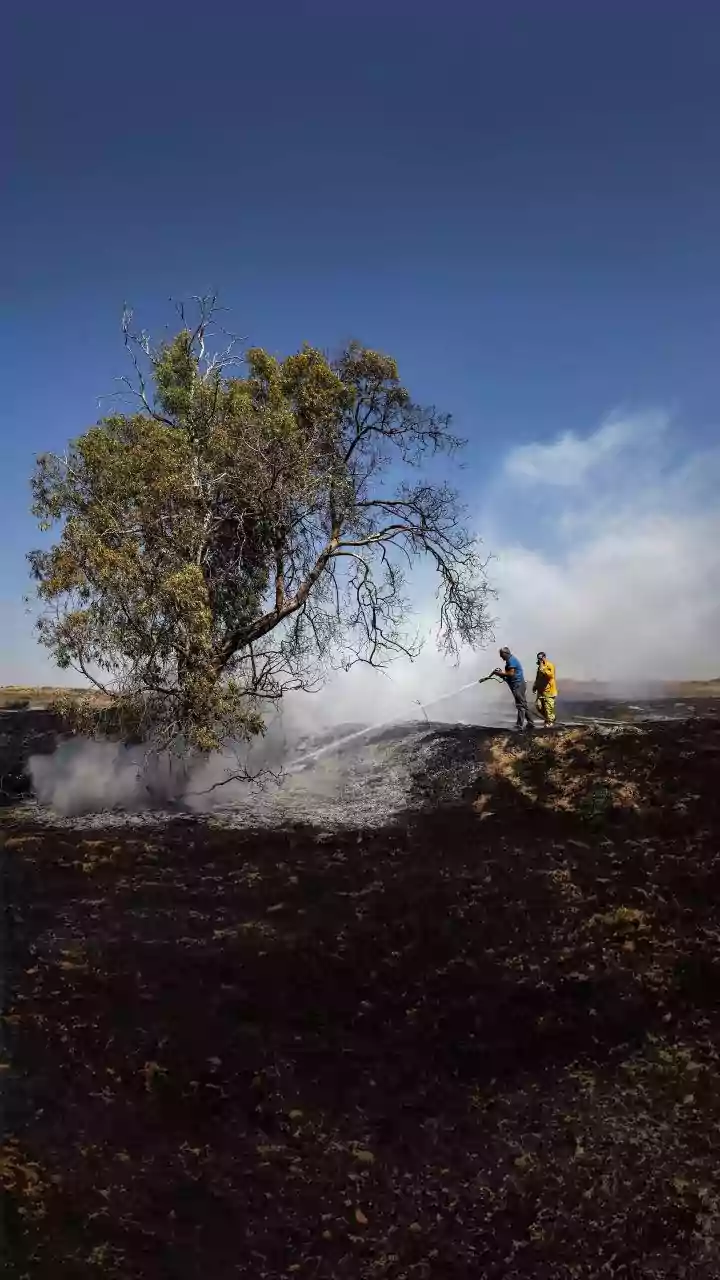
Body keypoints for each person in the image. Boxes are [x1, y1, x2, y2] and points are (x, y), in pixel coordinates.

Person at [493, 646, 535, 731]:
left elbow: (511, 673)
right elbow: (510, 675)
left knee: (520, 705)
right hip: (517, 684)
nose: (501, 657)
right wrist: (502, 675)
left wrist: (500, 673)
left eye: (501, 655)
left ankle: (519, 725)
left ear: (506, 653)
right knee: (523, 704)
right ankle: (530, 722)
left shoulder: (511, 660)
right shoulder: (510, 660)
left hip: (518, 685)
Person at [533, 651, 558, 727]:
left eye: (541, 658)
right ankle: (549, 717)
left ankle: (550, 721)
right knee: (538, 705)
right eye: (538, 658)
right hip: (541, 690)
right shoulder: (539, 667)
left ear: (544, 657)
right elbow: (538, 678)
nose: (540, 660)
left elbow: (550, 675)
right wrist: (535, 686)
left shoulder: (550, 665)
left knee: (548, 706)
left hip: (549, 690)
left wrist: (543, 669)